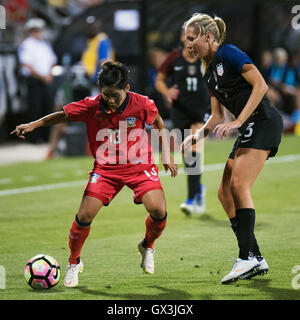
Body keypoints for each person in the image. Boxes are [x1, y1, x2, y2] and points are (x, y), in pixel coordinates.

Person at [11, 61, 178, 288]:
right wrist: (33, 124)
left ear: (127, 89)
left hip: (139, 166)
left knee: (159, 210)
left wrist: (166, 154)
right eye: (106, 95)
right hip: (106, 170)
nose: (110, 100)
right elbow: (62, 115)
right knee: (84, 216)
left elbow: (158, 122)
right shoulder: (91, 105)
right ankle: (73, 262)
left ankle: (147, 246)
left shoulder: (142, 104)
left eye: (115, 96)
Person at [181, 13, 283, 284]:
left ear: (208, 36)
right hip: (249, 127)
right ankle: (256, 258)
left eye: (192, 38)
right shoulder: (209, 72)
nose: (188, 44)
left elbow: (260, 85)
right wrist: (197, 136)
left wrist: (238, 121)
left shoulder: (229, 53)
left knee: (239, 184)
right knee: (224, 193)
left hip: (263, 122)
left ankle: (245, 257)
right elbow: (216, 117)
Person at [156, 27, 211, 215]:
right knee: (188, 154)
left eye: (194, 36)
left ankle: (191, 198)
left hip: (201, 110)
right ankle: (198, 191)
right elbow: (160, 80)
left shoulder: (205, 56)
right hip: (180, 111)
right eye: (187, 35)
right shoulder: (174, 58)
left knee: (194, 149)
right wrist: (167, 91)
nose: (190, 39)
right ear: (181, 37)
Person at [81, 15, 115, 87]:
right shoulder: (91, 41)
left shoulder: (102, 40)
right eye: (88, 26)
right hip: (91, 80)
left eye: (92, 26)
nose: (89, 29)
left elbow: (104, 62)